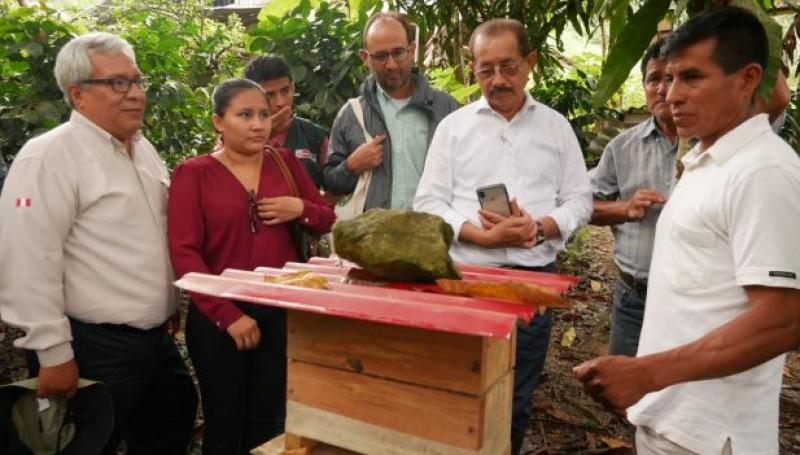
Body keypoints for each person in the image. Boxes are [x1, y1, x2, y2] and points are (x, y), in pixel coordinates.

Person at [574, 8, 800, 454]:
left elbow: (785, 319)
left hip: (712, 435)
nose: (673, 95)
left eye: (693, 77)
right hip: (674, 422)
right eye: (670, 77)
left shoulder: (763, 172)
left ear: (748, 78)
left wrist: (648, 373)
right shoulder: (706, 160)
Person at [0, 32, 198, 454]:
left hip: (151, 340)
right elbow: (28, 258)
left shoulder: (142, 150)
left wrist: (164, 301)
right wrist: (53, 352)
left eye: (137, 80)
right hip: (90, 346)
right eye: (118, 83)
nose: (135, 94)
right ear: (77, 93)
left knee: (172, 416)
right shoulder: (49, 156)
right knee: (88, 445)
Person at [414, 19, 592, 455]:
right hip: (467, 279)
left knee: (516, 392)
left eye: (509, 67)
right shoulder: (453, 128)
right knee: (457, 385)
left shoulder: (555, 127)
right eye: (485, 69)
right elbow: (429, 202)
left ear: (530, 63)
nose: (498, 80)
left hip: (532, 282)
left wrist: (540, 227)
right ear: (471, 69)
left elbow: (579, 201)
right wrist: (479, 236)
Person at [168, 78, 335, 454]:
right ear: (218, 122)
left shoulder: (285, 162)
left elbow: (328, 218)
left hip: (279, 311)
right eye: (245, 115)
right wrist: (228, 315)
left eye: (263, 114)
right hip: (218, 319)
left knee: (265, 422)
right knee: (224, 421)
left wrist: (301, 209)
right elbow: (185, 253)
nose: (259, 124)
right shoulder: (194, 174)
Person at [588, 39, 677, 356]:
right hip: (634, 298)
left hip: (691, 299)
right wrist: (624, 208)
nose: (663, 89)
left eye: (672, 78)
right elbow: (583, 207)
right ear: (644, 86)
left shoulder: (711, 145)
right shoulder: (621, 148)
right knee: (623, 394)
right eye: (654, 79)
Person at [323, 11, 459, 211]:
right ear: (365, 57)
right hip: (374, 237)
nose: (391, 64)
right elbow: (330, 182)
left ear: (412, 50)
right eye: (380, 56)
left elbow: (469, 176)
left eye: (398, 52)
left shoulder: (446, 108)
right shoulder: (352, 114)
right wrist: (351, 166)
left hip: (434, 235)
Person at [244, 55, 330, 190]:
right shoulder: (236, 137)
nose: (281, 102)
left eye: (285, 91)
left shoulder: (314, 135)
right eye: (269, 95)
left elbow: (335, 190)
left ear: (293, 87)